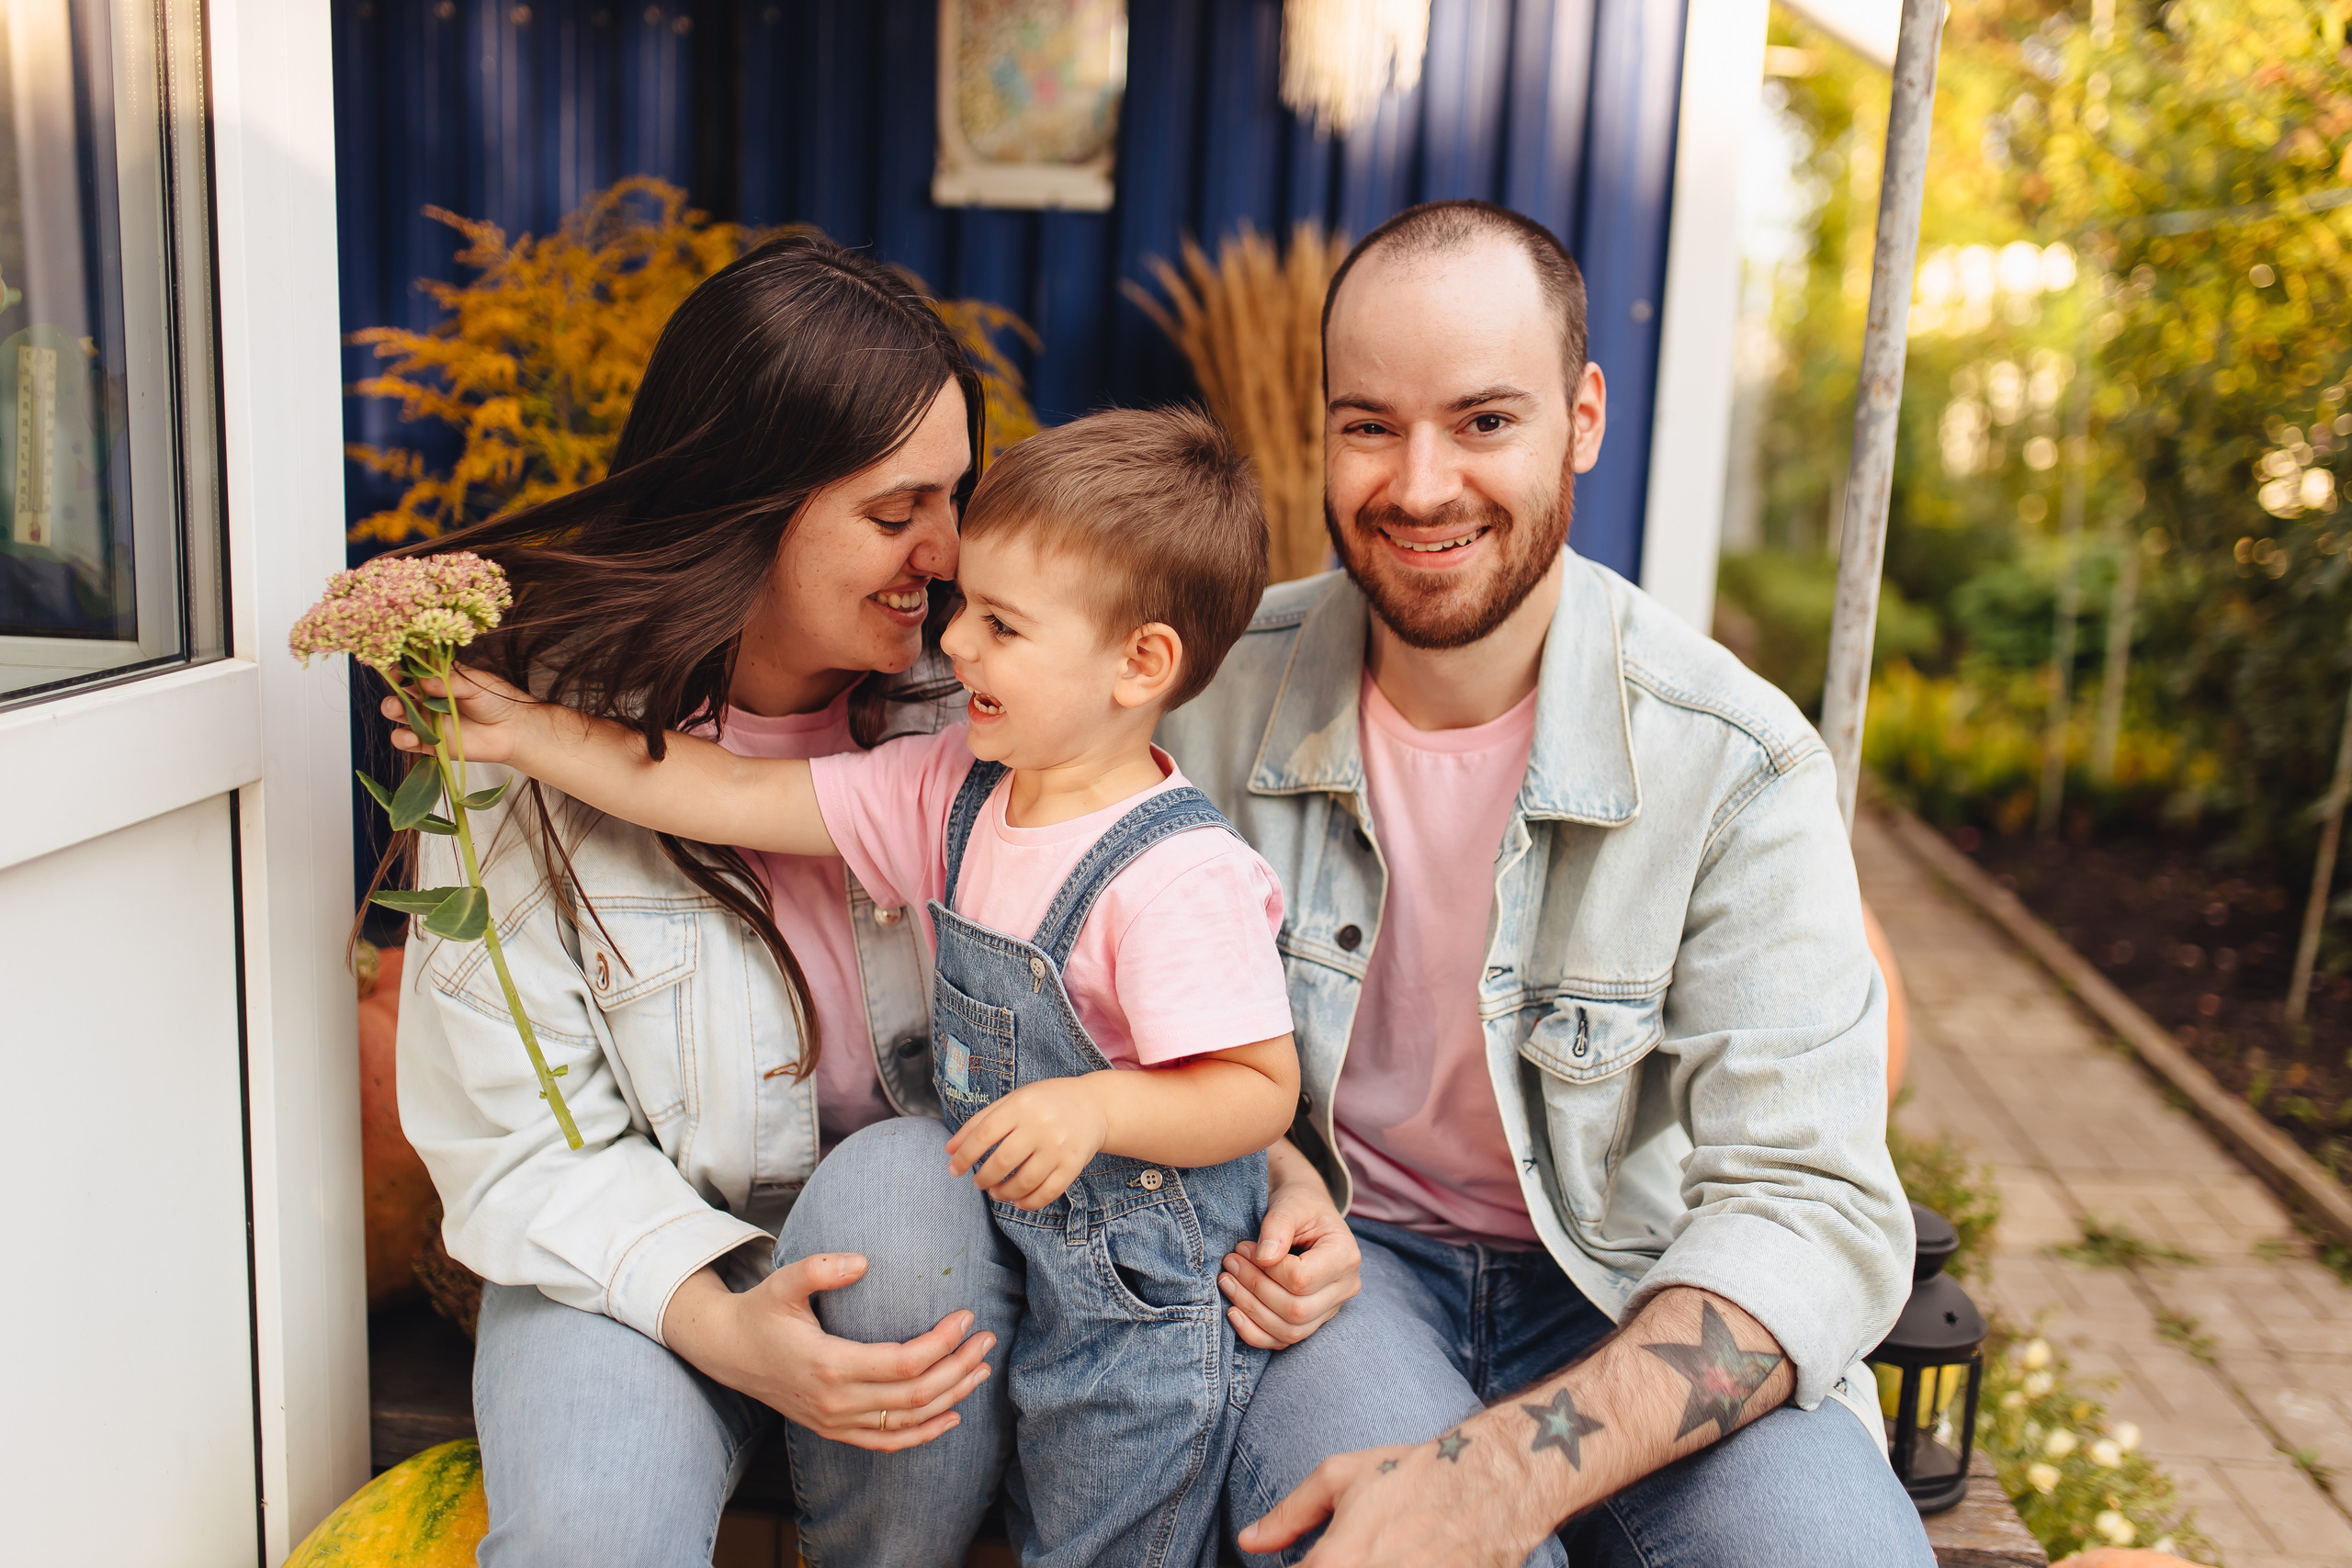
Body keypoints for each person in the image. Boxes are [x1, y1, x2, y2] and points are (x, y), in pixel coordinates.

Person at [390, 237, 1355, 1567]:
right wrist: (714, 1318)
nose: (953, 557)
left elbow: (1168, 1018)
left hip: (945, 1265)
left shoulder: (1009, 724)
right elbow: (513, 1139)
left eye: (956, 498)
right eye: (901, 508)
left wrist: (1276, 1169)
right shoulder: (524, 747)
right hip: (638, 1276)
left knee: (904, 1187)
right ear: (756, 501)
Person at [1155, 199, 1930, 1567]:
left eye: (1485, 422)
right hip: (1340, 1273)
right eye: (1369, 424)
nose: (1420, 483)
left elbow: (1810, 1205)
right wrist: (1266, 1159)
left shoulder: (1734, 762)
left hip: (1641, 1281)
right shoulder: (1201, 700)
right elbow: (1062, 996)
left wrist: (1509, 1473)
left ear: (1582, 418)